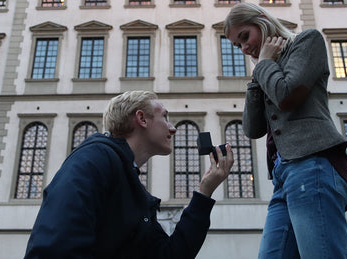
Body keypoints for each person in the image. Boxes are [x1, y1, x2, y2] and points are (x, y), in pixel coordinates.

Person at [24, 90, 234, 259]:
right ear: (141, 118)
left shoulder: (134, 188)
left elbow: (170, 254)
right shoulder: (93, 158)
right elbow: (55, 248)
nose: (173, 129)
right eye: (165, 117)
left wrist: (205, 190)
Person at [224, 2, 347, 259]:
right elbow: (252, 128)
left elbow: (287, 96)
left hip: (313, 163)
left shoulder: (307, 41)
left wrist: (263, 65)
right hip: (283, 176)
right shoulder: (266, 66)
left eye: (245, 36)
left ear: (262, 19)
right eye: (237, 45)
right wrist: (257, 75)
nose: (244, 47)